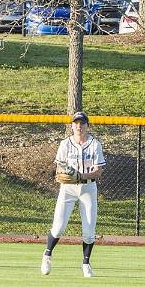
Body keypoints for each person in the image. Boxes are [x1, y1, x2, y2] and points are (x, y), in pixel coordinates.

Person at [41, 112, 106, 278]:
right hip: (68, 189)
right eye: (76, 123)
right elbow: (58, 168)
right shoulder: (65, 144)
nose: (79, 126)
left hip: (88, 189)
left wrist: (81, 176)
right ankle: (47, 255)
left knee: (89, 230)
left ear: (87, 126)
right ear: (71, 126)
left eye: (82, 123)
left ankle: (86, 263)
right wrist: (65, 174)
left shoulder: (94, 144)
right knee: (58, 227)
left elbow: (98, 171)